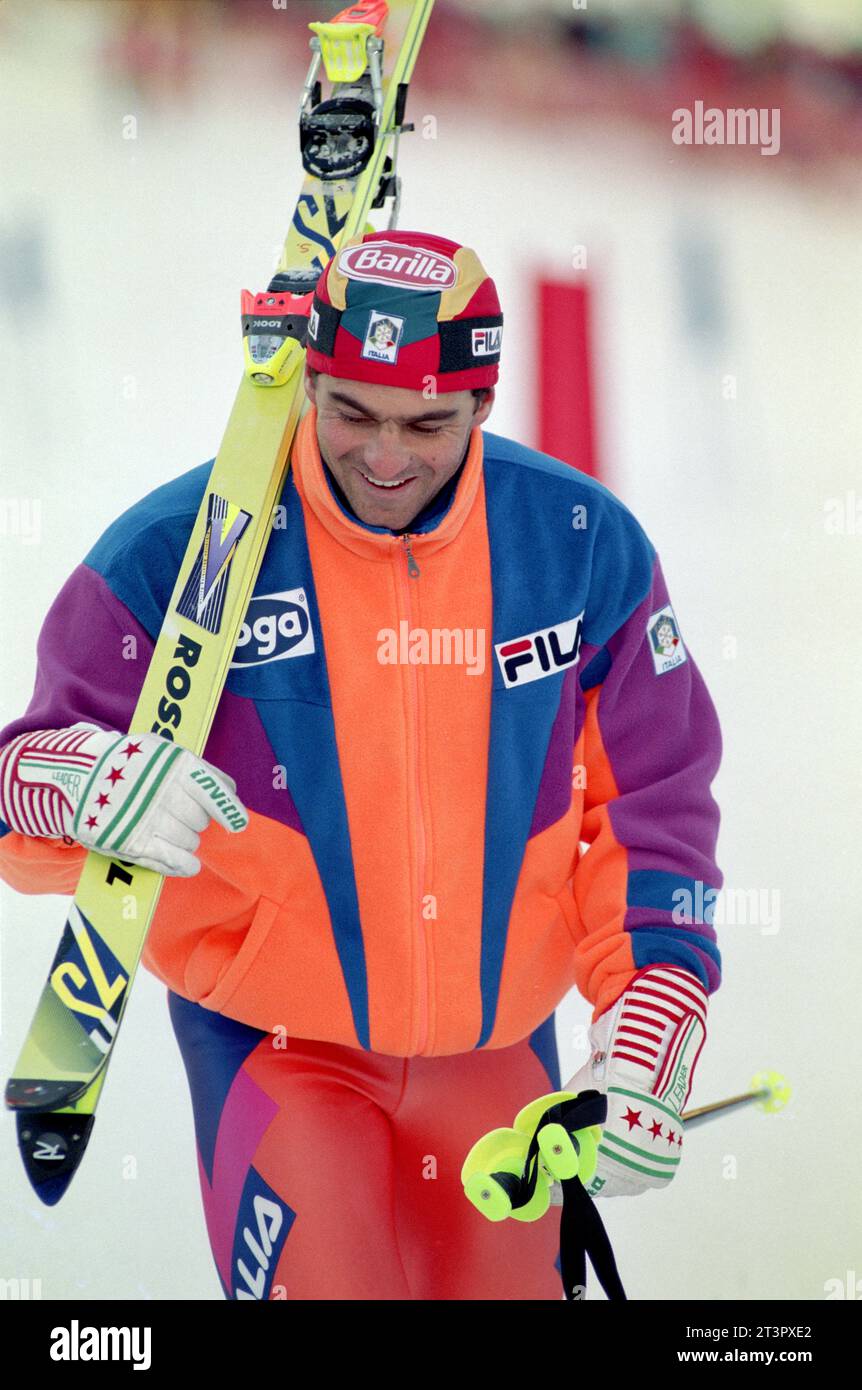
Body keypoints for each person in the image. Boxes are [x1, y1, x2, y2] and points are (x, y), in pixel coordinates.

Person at [0, 229, 722, 1299]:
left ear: (482, 404)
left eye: (427, 422)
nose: (387, 456)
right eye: (352, 415)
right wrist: (87, 780)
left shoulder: (579, 544)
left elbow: (654, 802)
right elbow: (18, 777)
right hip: (276, 1050)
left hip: (497, 1059)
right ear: (310, 382)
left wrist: (654, 1006)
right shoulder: (175, 548)